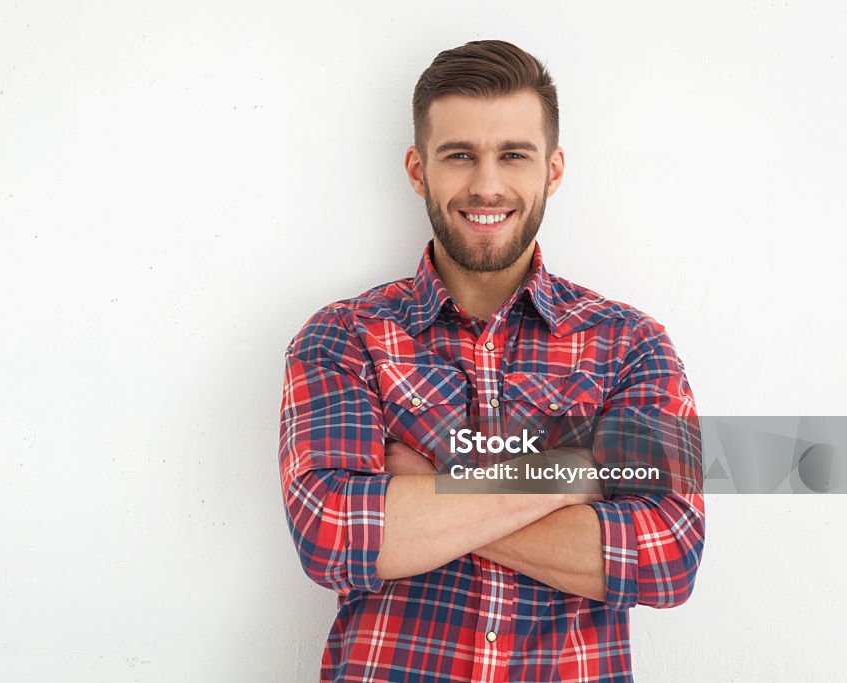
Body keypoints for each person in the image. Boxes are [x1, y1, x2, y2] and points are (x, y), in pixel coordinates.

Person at [278, 39, 704, 683]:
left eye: (513, 155)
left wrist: (431, 487)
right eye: (459, 155)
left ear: (552, 171)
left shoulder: (630, 345)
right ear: (419, 171)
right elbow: (334, 534)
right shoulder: (344, 338)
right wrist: (577, 470)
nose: (486, 184)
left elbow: (667, 556)